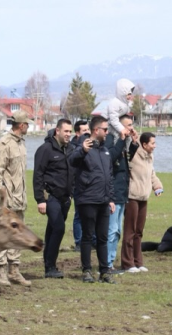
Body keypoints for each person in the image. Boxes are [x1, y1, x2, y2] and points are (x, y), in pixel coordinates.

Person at [68, 115, 117, 284]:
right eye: (105, 129)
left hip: (103, 201)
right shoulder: (83, 146)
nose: (107, 132)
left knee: (102, 238)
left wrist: (111, 199)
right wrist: (82, 150)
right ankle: (87, 271)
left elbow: (109, 176)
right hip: (87, 199)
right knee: (87, 237)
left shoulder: (104, 150)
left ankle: (104, 272)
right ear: (96, 130)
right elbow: (72, 161)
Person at [0, 110, 31, 286]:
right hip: (7, 200)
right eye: (27, 124)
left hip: (19, 199)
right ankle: (1, 273)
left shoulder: (21, 144)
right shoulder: (4, 143)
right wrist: (0, 200)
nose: (28, 126)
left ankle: (14, 270)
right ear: (21, 125)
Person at [33, 118, 73, 278]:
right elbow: (37, 175)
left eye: (70, 131)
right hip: (50, 197)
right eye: (66, 131)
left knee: (52, 229)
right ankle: (50, 267)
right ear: (57, 131)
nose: (69, 134)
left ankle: (49, 264)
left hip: (65, 198)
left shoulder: (69, 149)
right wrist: (40, 200)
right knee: (59, 228)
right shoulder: (45, 149)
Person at [122, 132, 164, 272]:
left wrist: (157, 186)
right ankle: (127, 263)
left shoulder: (150, 156)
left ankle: (138, 262)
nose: (155, 146)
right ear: (144, 144)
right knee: (130, 231)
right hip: (132, 197)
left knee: (139, 231)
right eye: (153, 143)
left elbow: (152, 174)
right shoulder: (134, 154)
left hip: (144, 198)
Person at [105, 114, 137, 270]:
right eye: (127, 125)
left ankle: (110, 261)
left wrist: (134, 143)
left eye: (131, 125)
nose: (130, 128)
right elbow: (111, 157)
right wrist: (123, 139)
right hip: (113, 194)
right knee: (112, 231)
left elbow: (127, 159)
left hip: (122, 194)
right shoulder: (111, 140)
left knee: (117, 231)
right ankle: (107, 264)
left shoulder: (123, 143)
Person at [70, 120, 89, 248]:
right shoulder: (73, 148)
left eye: (88, 130)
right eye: (84, 131)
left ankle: (90, 240)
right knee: (78, 214)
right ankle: (78, 242)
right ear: (77, 133)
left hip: (89, 186)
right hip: (77, 185)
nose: (87, 133)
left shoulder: (91, 145)